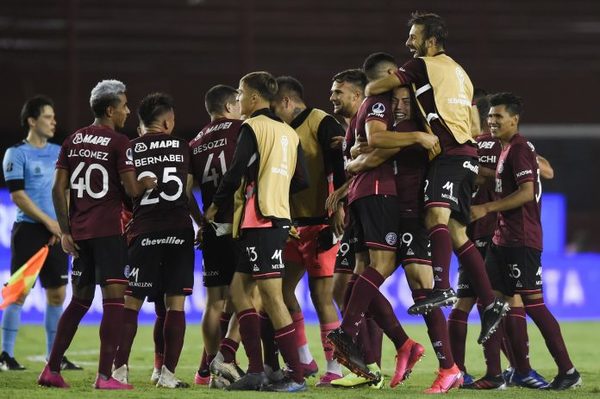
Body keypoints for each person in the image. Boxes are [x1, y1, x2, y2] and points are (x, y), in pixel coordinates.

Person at [365, 11, 508, 345]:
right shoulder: (461, 73)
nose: (408, 43)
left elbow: (374, 85)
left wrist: (391, 79)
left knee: (435, 216)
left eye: (413, 37)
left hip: (451, 155)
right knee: (457, 232)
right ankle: (489, 304)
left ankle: (442, 286)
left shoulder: (422, 65)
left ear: (430, 41)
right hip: (467, 153)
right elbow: (474, 126)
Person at [327, 53, 437, 388]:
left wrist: (356, 166)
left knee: (363, 276)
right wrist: (418, 137)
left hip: (372, 193)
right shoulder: (378, 103)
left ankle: (398, 348)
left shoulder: (372, 108)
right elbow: (376, 141)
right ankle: (360, 339)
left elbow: (369, 148)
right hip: (377, 194)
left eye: (338, 91)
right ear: (391, 75)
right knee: (376, 269)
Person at [37, 79, 155, 389]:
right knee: (115, 302)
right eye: (124, 106)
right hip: (108, 232)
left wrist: (65, 231)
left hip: (80, 232)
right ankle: (104, 377)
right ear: (110, 109)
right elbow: (131, 190)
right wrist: (145, 182)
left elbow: (57, 188)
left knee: (79, 301)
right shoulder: (119, 143)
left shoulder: (72, 140)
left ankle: (51, 369)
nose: (128, 111)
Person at [204, 71, 308, 392]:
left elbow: (235, 173)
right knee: (238, 292)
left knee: (272, 298)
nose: (237, 98)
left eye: (240, 92)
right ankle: (254, 370)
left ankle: (296, 376)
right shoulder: (289, 133)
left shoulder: (252, 127)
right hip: (273, 219)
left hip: (262, 220)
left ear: (253, 97)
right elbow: (301, 180)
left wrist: (214, 206)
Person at [471, 92, 581, 390]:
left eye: (498, 116)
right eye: (490, 116)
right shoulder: (506, 149)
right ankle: (501, 371)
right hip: (502, 239)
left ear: (514, 119)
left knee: (534, 305)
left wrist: (487, 207)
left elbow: (526, 192)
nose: (492, 121)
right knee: (492, 302)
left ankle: (567, 370)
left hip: (522, 239)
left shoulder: (520, 149)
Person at [111, 92, 194, 388]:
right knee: (175, 305)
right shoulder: (184, 147)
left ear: (141, 124)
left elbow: (125, 193)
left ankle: (119, 371)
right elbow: (187, 190)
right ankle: (167, 375)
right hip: (179, 229)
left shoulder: (130, 148)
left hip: (143, 230)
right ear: (168, 122)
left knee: (130, 303)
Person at [271, 76, 346, 386]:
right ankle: (304, 357)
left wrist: (339, 206)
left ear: (287, 102)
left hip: (321, 222)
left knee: (321, 296)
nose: (273, 113)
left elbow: (340, 163)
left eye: (275, 107)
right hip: (292, 224)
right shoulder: (283, 131)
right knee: (282, 291)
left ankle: (336, 368)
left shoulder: (321, 122)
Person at [1, 96, 81, 372]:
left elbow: (68, 192)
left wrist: (63, 225)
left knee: (57, 294)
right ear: (31, 121)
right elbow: (18, 195)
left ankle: (53, 355)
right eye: (48, 116)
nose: (53, 121)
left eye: (54, 116)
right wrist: (50, 222)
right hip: (30, 230)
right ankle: (6, 354)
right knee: (19, 292)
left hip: (56, 230)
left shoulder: (60, 152)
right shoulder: (16, 153)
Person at [189, 84, 244, 387]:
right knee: (250, 295)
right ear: (227, 106)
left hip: (211, 228)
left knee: (214, 302)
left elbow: (185, 190)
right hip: (237, 224)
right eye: (237, 102)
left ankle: (211, 370)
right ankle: (226, 359)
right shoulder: (241, 130)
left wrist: (200, 220)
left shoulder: (195, 142)